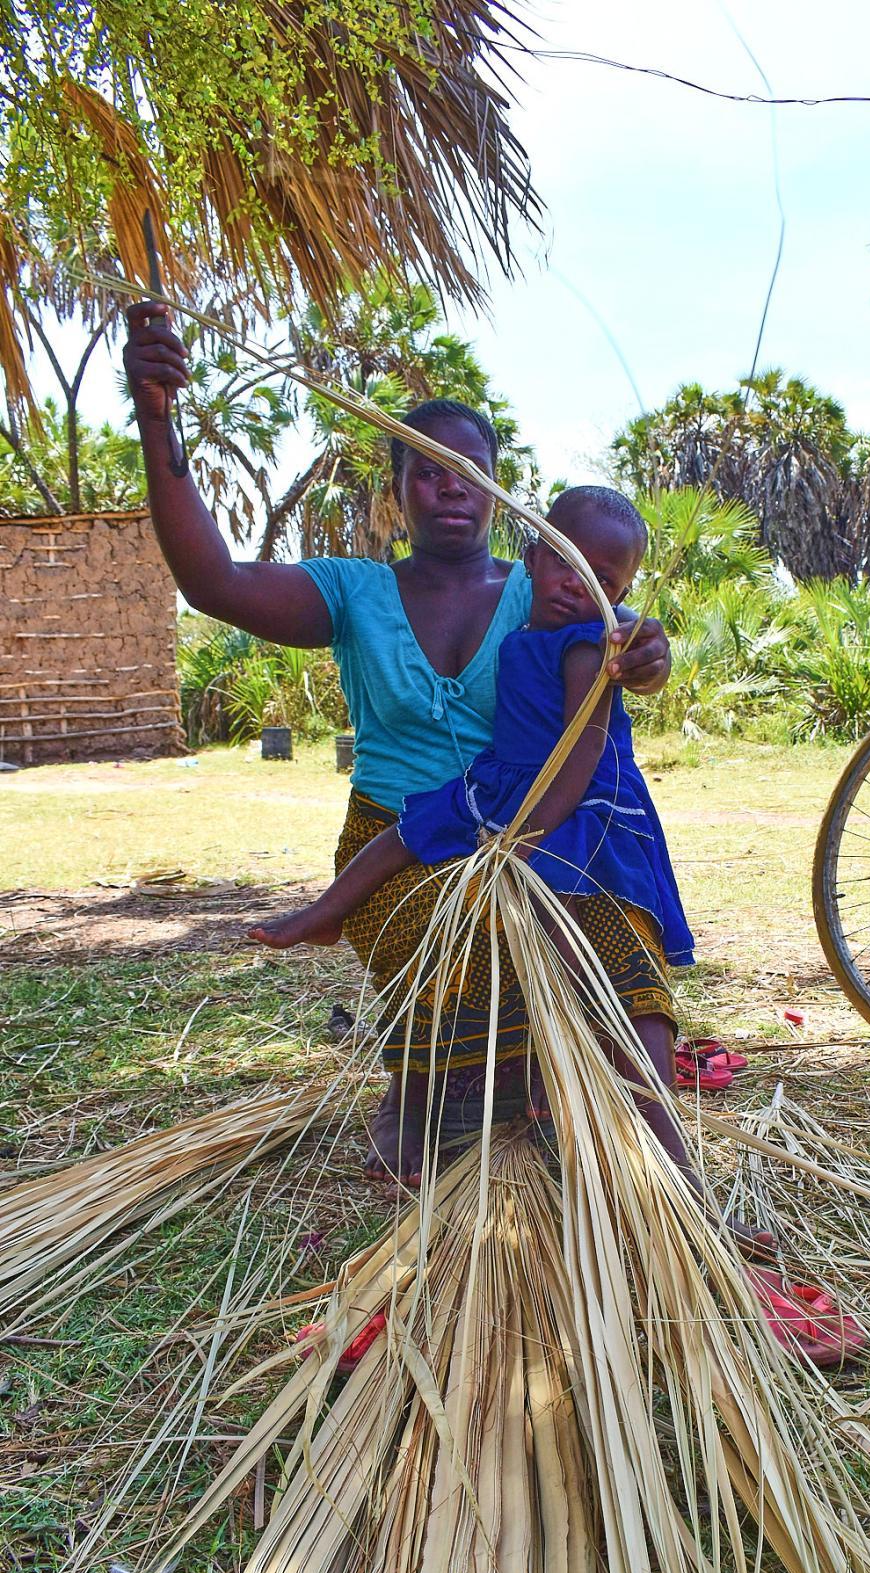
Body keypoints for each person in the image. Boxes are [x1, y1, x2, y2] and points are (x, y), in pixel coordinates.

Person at [123, 302, 673, 1186]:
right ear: (398, 490)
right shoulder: (353, 593)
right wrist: (158, 419)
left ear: (501, 492)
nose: (451, 488)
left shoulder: (544, 592)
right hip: (394, 836)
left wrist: (647, 656)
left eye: (471, 471)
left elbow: (619, 641)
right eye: (428, 471)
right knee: (458, 924)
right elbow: (213, 582)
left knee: (610, 937)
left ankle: (625, 1147)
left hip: (529, 834)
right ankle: (419, 1092)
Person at [250, 483, 701, 1186]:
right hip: (502, 787)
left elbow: (580, 756)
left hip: (575, 809)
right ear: (532, 558)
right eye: (566, 563)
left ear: (619, 595)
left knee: (574, 950)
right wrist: (504, 818)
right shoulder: (525, 629)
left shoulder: (589, 648)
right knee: (408, 830)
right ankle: (327, 911)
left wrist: (523, 839)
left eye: (603, 581)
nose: (577, 585)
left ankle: (669, 1170)